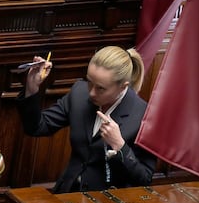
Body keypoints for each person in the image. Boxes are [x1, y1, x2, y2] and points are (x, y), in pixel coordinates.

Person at [16, 46, 157, 193]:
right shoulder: (79, 93)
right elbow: (37, 127)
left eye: (100, 88)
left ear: (123, 87)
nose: (91, 93)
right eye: (89, 82)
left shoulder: (144, 117)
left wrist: (120, 146)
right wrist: (31, 89)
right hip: (67, 193)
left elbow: (144, 179)